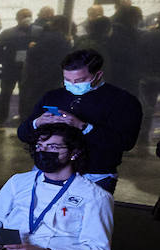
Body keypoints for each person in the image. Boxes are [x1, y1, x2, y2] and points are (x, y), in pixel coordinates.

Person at [15, 48, 144, 193]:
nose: (73, 84)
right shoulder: (53, 96)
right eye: (67, 80)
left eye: (80, 80)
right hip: (47, 171)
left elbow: (125, 143)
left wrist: (83, 127)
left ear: (98, 75)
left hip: (95, 174)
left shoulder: (122, 101)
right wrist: (37, 123)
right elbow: (22, 134)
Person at [0, 8, 34, 126]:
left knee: (26, 95)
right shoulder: (7, 33)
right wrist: (4, 61)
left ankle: (23, 118)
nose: (27, 18)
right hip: (10, 69)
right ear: (17, 18)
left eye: (29, 15)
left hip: (27, 69)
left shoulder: (38, 32)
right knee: (5, 94)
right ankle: (0, 119)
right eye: (24, 16)